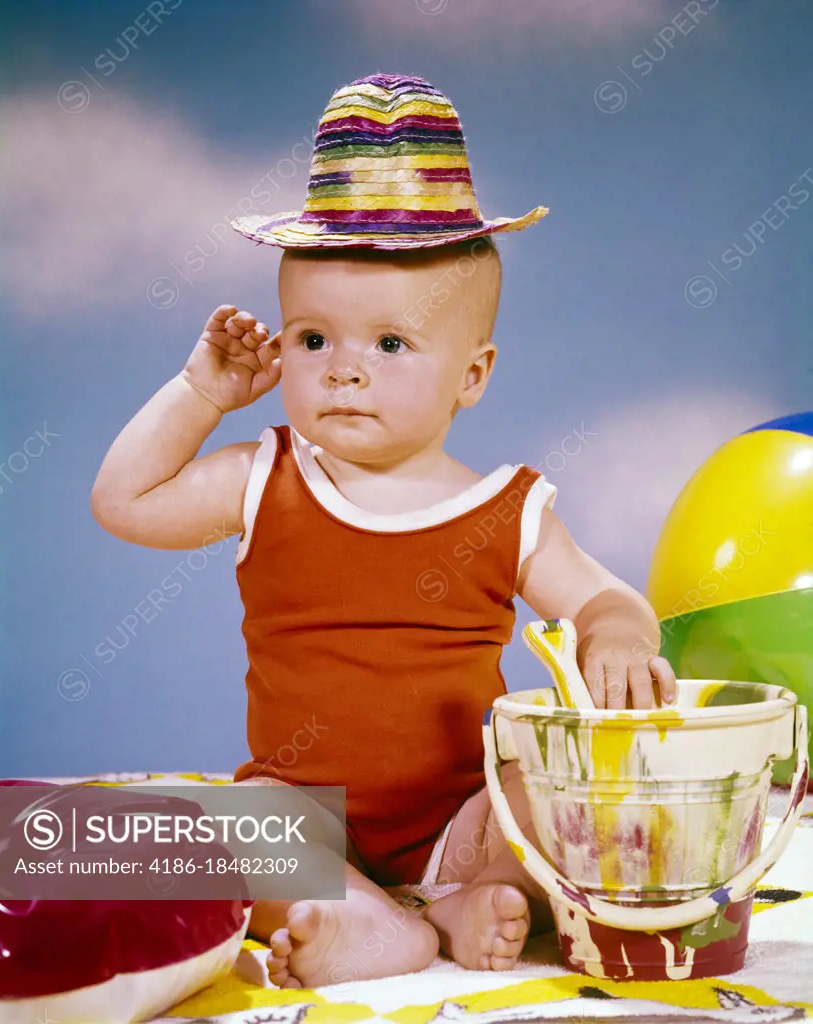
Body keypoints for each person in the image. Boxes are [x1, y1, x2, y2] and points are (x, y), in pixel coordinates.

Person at [91, 73, 676, 989]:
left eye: (390, 345)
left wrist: (612, 630)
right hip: (307, 812)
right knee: (231, 827)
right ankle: (363, 920)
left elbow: (605, 595)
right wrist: (201, 396)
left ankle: (460, 896)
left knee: (550, 797)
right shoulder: (265, 476)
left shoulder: (509, 508)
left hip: (461, 816)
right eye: (313, 339)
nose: (344, 373)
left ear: (471, 375)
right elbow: (124, 502)